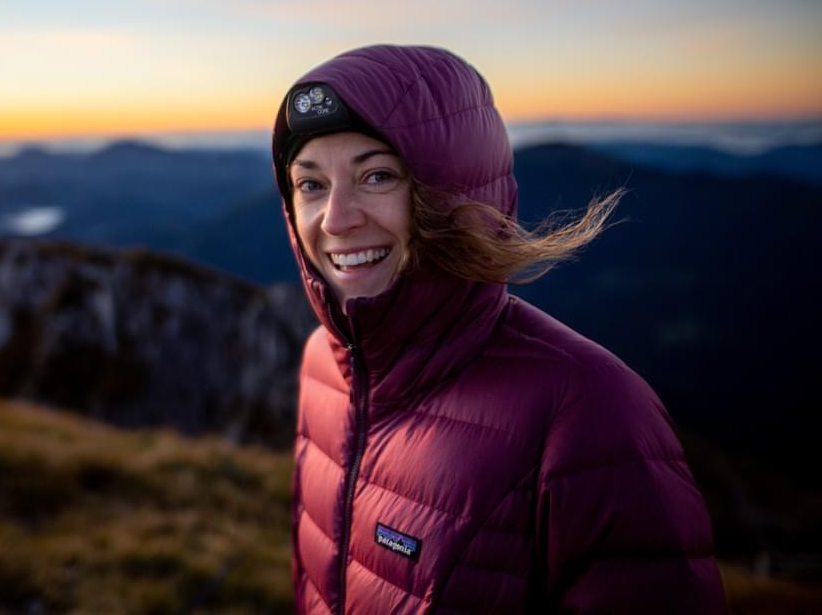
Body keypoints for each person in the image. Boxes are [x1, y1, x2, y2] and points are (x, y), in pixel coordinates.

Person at [272, 45, 725, 614]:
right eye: (310, 184)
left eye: (378, 175)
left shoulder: (589, 410)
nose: (336, 218)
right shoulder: (325, 364)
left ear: (457, 192)